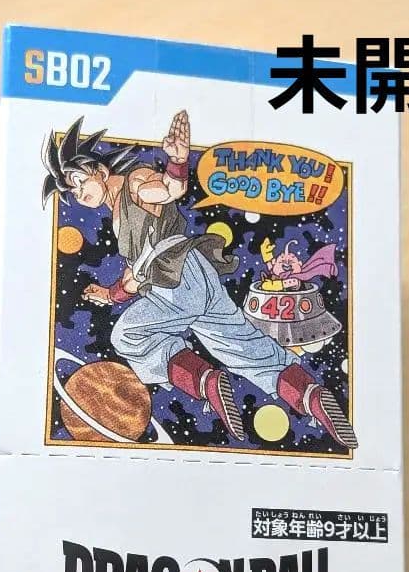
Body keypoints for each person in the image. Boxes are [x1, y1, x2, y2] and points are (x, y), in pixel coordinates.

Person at [41, 112, 357, 448]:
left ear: (100, 171)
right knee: (244, 347)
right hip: (196, 275)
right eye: (72, 190)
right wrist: (110, 294)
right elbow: (135, 276)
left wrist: (178, 162)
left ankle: (205, 381)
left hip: (175, 280)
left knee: (127, 336)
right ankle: (311, 396)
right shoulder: (118, 209)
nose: (78, 193)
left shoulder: (134, 183)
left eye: (80, 181)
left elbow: (168, 189)